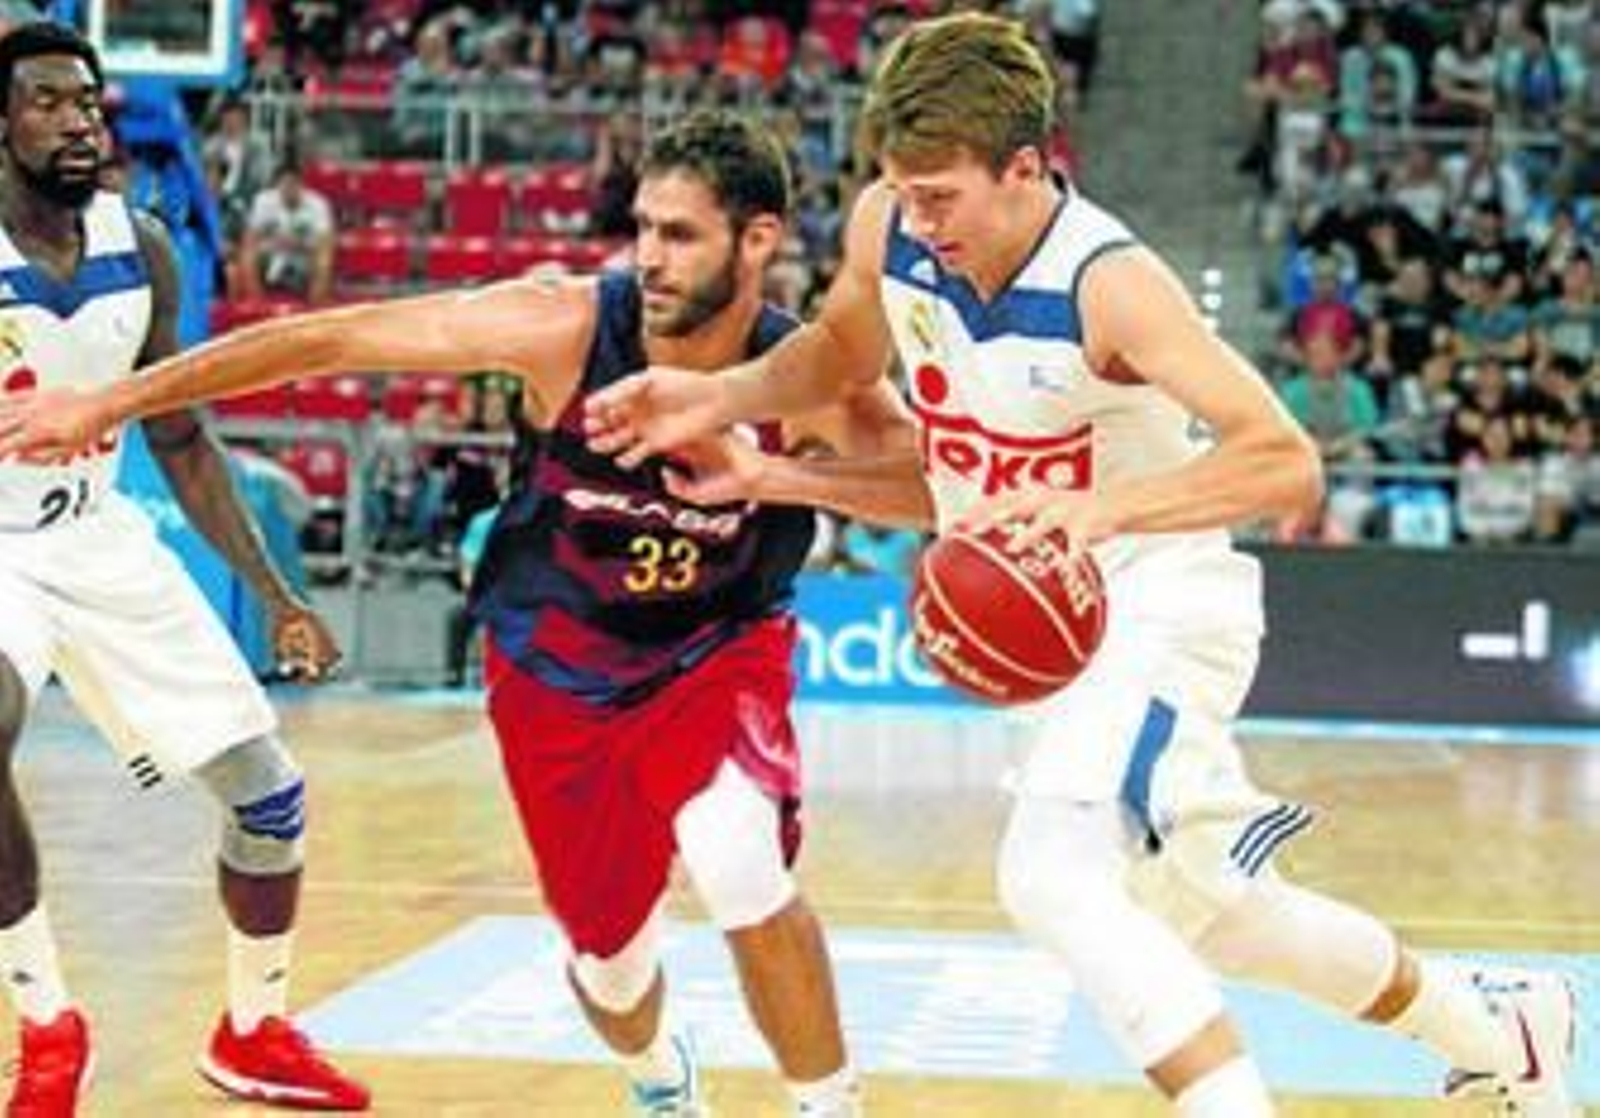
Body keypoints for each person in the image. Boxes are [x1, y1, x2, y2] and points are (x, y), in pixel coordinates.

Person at [577, 14, 1580, 1116]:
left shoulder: (1109, 284)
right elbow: (861, 387)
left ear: (1025, 168)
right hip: (1066, 635)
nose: (919, 219)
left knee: (1049, 875)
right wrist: (735, 423)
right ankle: (1502, 1028)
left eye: (941, 195)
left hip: (1160, 600)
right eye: (903, 191)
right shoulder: (891, 229)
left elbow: (1283, 462)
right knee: (1221, 920)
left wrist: (1097, 510)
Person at [0, 109, 928, 1117]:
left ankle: (828, 1103)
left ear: (758, 240)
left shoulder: (808, 375)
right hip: (558, 670)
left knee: (738, 858)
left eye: (680, 234)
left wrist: (773, 474)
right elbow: (330, 337)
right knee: (612, 968)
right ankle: (661, 1072)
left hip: (718, 650)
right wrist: (108, 404)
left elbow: (930, 487)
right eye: (642, 228)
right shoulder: (565, 325)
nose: (650, 257)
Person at [0, 22, 368, 1116]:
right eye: (48, 101)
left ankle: (253, 1031)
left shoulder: (144, 246)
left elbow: (183, 439)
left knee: (268, 797)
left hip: (98, 534)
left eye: (88, 102)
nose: (79, 121)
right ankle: (48, 1024)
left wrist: (278, 594)